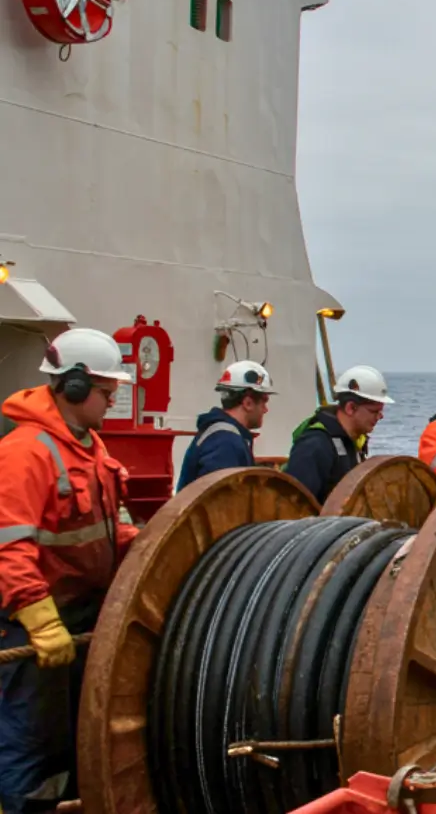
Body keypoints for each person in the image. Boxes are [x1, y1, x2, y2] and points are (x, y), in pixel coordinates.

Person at [0, 328, 141, 810]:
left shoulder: (91, 449)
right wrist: (40, 622)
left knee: (69, 733)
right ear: (74, 386)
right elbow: (8, 548)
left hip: (82, 617)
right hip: (31, 626)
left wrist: (152, 551)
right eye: (107, 391)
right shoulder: (26, 452)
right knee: (28, 738)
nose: (113, 400)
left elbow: (111, 532)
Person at [285, 365, 392, 504]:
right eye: (374, 411)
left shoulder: (354, 443)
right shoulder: (315, 445)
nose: (380, 416)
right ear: (350, 408)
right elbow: (294, 505)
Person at [174, 360, 274, 489]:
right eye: (264, 402)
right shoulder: (226, 443)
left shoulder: (219, 434)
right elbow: (221, 504)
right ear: (248, 403)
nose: (266, 410)